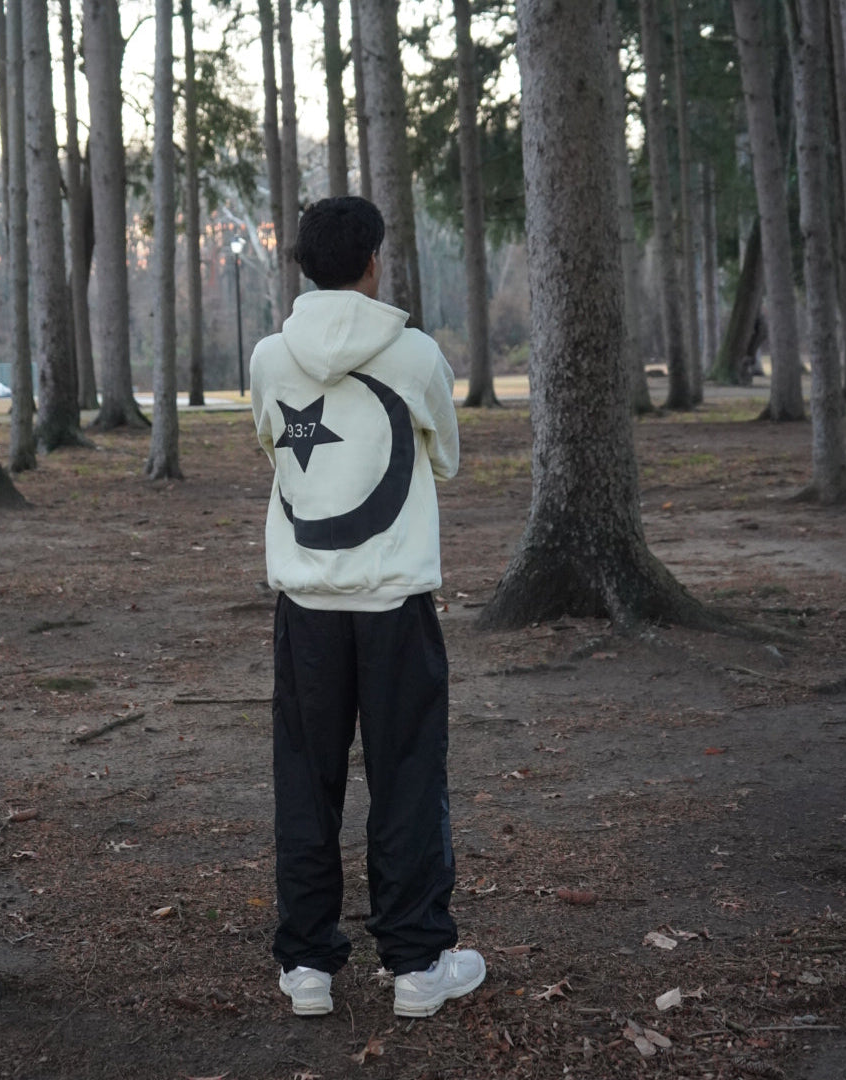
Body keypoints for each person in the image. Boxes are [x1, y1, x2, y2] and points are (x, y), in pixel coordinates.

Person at [249, 196, 485, 1019]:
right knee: (409, 774)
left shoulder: (269, 359)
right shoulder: (415, 356)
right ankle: (417, 964)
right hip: (394, 601)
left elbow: (276, 449)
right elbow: (445, 459)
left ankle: (307, 966)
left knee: (304, 780)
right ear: (374, 260)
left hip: (305, 602)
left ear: (304, 265)